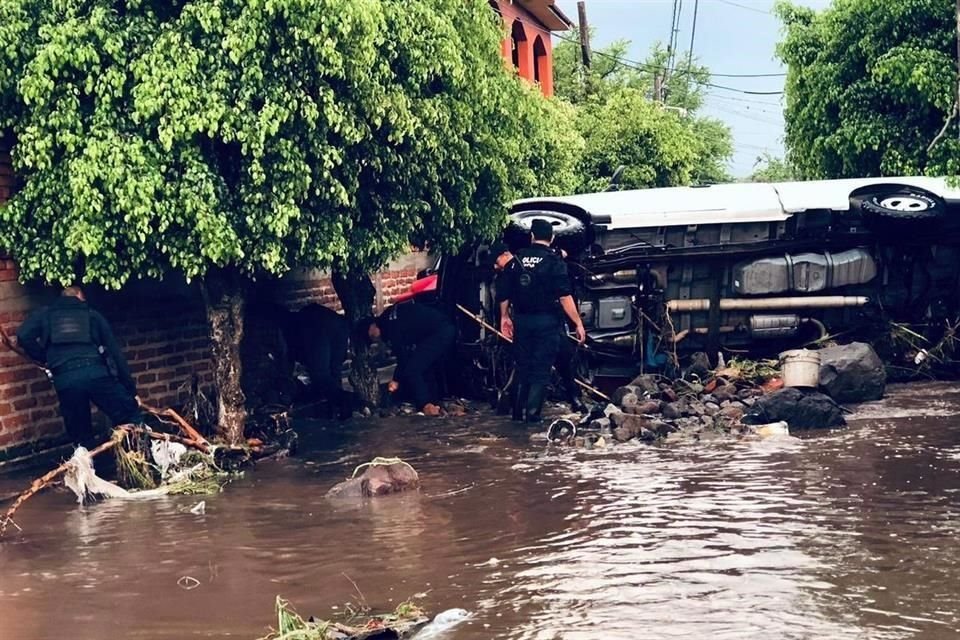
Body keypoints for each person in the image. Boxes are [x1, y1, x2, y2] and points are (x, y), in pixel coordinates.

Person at [16, 286, 142, 446]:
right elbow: (116, 354)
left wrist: (44, 357)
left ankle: (86, 466)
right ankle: (140, 460)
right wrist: (131, 391)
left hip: (65, 380)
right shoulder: (92, 315)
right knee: (130, 415)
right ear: (80, 298)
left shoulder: (45, 315)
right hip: (96, 374)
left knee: (81, 436)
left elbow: (23, 335)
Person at [499, 219, 586, 424]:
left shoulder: (516, 260)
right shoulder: (555, 262)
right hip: (546, 322)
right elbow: (565, 297)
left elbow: (504, 292)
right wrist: (577, 323)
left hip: (521, 321)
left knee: (522, 367)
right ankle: (532, 416)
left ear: (531, 236)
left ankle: (517, 416)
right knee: (540, 368)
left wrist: (505, 317)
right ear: (552, 238)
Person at [365, 302, 456, 416]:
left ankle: (426, 405)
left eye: (371, 336)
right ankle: (434, 400)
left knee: (413, 370)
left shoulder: (390, 326)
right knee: (423, 366)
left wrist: (395, 380)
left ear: (372, 326)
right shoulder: (388, 318)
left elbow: (403, 358)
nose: (374, 340)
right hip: (439, 329)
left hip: (439, 332)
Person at [277, 303, 353, 419]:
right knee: (329, 373)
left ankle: (344, 402)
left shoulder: (308, 328)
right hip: (327, 325)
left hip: (318, 327)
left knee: (322, 375)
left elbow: (321, 372)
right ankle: (341, 404)